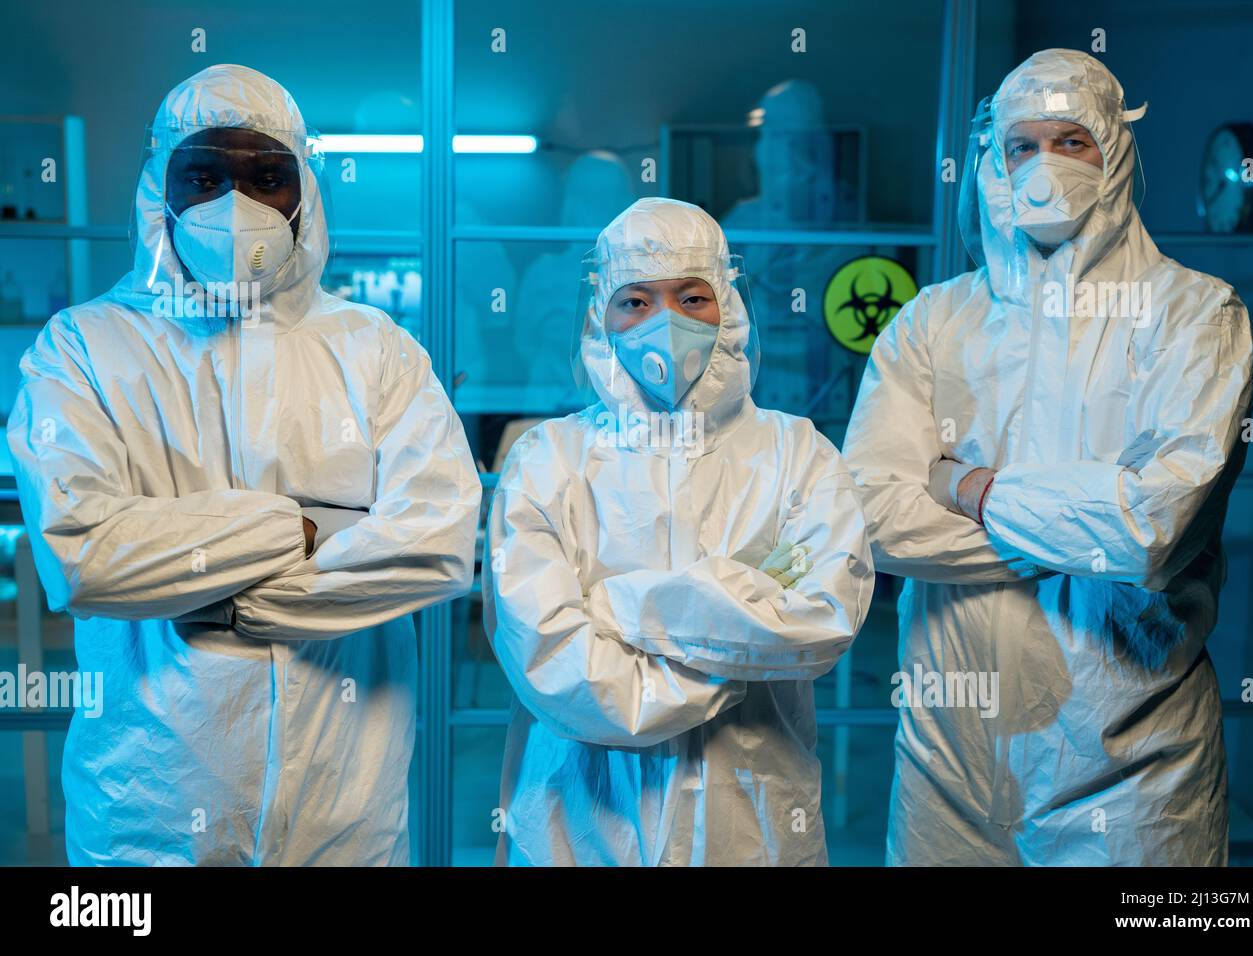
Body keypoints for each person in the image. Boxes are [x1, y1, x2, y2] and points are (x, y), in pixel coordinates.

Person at [6, 64, 481, 866]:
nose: (238, 206)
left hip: (348, 812)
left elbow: (436, 544)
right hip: (148, 813)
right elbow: (82, 559)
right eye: (206, 175)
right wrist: (295, 526)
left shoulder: (376, 351)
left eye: (267, 177)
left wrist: (219, 599)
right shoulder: (83, 347)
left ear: (306, 192)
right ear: (162, 187)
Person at [842, 49, 1253, 866]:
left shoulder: (1196, 317)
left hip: (1134, 767)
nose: (1042, 167)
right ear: (990, 160)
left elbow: (1149, 528)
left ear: (1117, 154)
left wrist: (965, 484)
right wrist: (1079, 527)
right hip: (945, 762)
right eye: (1020, 145)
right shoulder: (932, 323)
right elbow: (873, 517)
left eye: (1072, 141)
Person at [485, 197, 874, 866]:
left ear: (730, 308)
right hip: (580, 821)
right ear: (598, 316)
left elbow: (820, 624)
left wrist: (619, 608)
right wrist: (737, 635)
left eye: (692, 298)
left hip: (753, 824)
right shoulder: (547, 459)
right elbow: (552, 665)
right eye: (635, 301)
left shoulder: (799, 454)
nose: (664, 323)